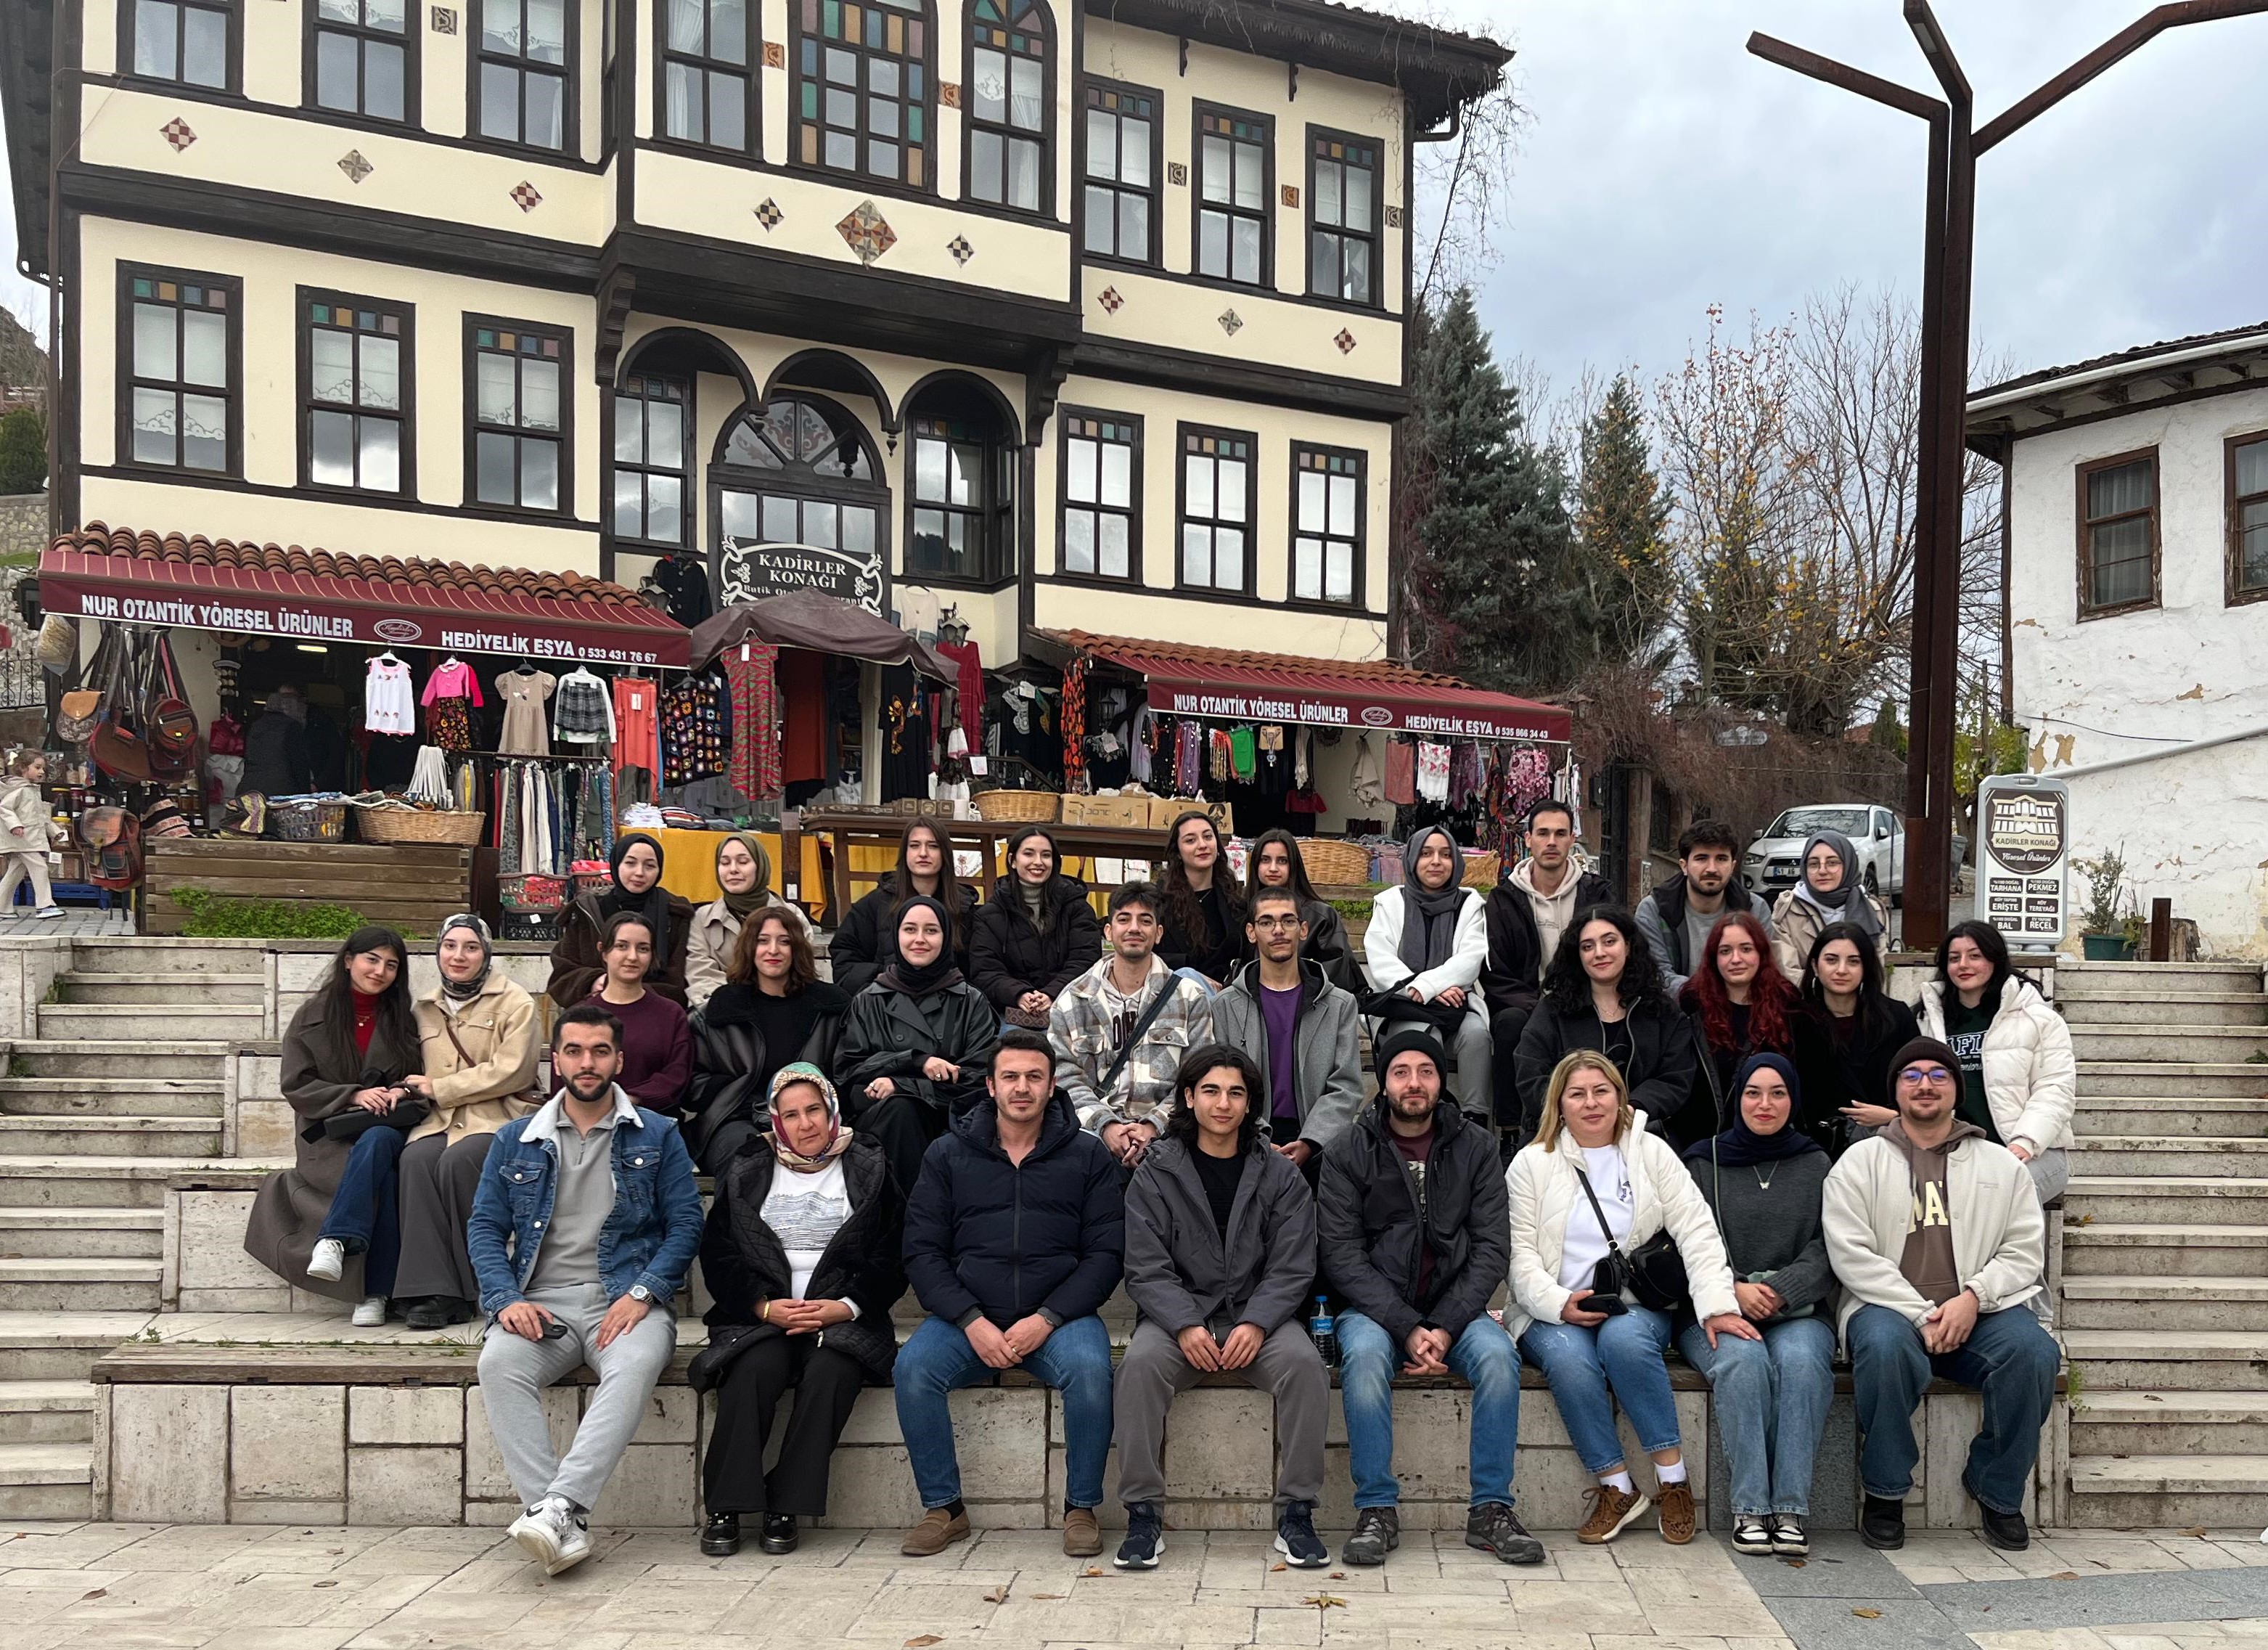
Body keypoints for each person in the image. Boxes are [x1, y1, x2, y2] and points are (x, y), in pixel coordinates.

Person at [468, 1004, 705, 1575]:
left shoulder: (658, 1133)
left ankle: (558, 1509)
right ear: (557, 1060)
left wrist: (644, 1291)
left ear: (619, 1059)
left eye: (600, 1051)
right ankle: (558, 1515)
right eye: (574, 1050)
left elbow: (685, 1224)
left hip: (622, 1299)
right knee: (498, 1364)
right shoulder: (515, 1139)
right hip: (539, 1302)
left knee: (635, 1363)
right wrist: (506, 1299)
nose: (587, 1062)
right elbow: (484, 1227)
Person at [1317, 1027, 1542, 1570]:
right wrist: (1404, 1324)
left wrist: (1442, 1325)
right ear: (1383, 1082)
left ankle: (1491, 1508)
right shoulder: (1348, 1149)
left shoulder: (1477, 1147)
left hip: (1455, 1310)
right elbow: (1341, 1254)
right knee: (1364, 1358)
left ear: (1442, 1081)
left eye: (1425, 1072)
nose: (1413, 1083)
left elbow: (1491, 1247)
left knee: (1498, 1357)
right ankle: (1376, 1509)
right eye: (1401, 1072)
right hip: (1374, 1311)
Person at [1825, 1036, 2059, 1553]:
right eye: (1911, 1075)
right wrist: (1919, 1313)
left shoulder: (2001, 1164)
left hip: (1981, 1313)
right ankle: (1885, 1490)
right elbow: (1850, 1254)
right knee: (1883, 1347)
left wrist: (1973, 1297)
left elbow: (2024, 1250)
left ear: (1957, 1089)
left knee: (2034, 1353)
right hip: (1888, 1309)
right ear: (1895, 1090)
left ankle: (1996, 1487)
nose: (1924, 1084)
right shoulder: (1859, 1162)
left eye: (1938, 1074)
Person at [895, 1030, 1123, 1560]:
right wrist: (970, 1320)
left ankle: (1081, 1507)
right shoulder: (947, 1154)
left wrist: (1047, 1318)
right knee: (914, 1369)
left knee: (1092, 1372)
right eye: (1011, 1077)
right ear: (991, 1086)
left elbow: (1106, 1255)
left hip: (1060, 1319)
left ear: (1052, 1085)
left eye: (1034, 1077)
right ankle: (944, 1509)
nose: (1022, 1088)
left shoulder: (1087, 1155)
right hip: (968, 1319)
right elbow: (922, 1253)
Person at [1508, 1050, 1751, 1548]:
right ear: (1559, 1104)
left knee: (1623, 1341)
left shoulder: (1651, 1153)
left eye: (1602, 1091)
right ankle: (1617, 1485)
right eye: (1577, 1093)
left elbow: (1696, 1229)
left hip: (1635, 1304)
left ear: (1620, 1097)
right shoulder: (1530, 1163)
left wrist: (1717, 1305)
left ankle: (1673, 1480)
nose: (1591, 1103)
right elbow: (1518, 1254)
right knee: (1568, 1360)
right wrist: (1557, 1303)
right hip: (1554, 1307)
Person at [1113, 1046, 1329, 1571]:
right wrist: (1184, 1324)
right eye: (1210, 1090)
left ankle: (1297, 1512)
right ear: (1189, 1097)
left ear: (1250, 1102)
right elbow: (1145, 1266)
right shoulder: (1156, 1171)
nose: (1223, 1103)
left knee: (1305, 1367)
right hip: (1177, 1320)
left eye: (1236, 1092)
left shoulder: (1279, 1174)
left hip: (1260, 1318)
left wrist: (1258, 1321)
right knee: (1138, 1366)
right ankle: (1143, 1513)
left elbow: (1293, 1264)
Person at [695, 1064, 905, 1558]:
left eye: (814, 1109)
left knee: (832, 1373)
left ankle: (785, 1504)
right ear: (776, 1120)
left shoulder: (869, 1162)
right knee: (752, 1369)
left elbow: (894, 1251)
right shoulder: (748, 1165)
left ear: (832, 1110)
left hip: (842, 1313)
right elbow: (719, 1253)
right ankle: (726, 1505)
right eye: (791, 1114)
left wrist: (846, 1306)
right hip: (761, 1314)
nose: (805, 1123)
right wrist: (763, 1306)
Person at [1675, 1053, 1837, 1558]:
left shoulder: (1817, 1163)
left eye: (1777, 1093)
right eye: (1753, 1092)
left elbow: (1832, 1244)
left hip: (1798, 1310)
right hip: (1715, 1307)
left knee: (1802, 1363)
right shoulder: (1702, 1162)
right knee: (1743, 1363)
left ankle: (1789, 1508)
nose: (1764, 1104)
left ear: (1793, 1099)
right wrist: (1733, 1289)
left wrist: (1781, 1289)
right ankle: (1749, 1508)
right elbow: (1681, 1241)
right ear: (1737, 1098)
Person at [245, 926, 423, 1328]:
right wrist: (352, 1095)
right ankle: (375, 1292)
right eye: (372, 960)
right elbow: (295, 1084)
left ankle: (335, 1240)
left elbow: (420, 1078)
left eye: (391, 965)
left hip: (387, 1127)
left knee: (379, 1144)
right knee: (382, 1174)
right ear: (348, 961)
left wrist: (400, 1091)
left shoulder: (404, 1020)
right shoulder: (311, 1017)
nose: (380, 971)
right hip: (327, 1135)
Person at [392, 915, 541, 1330]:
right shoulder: (424, 1007)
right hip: (437, 1122)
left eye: (471, 947)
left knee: (458, 1162)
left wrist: (441, 1087)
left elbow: (515, 1071)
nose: (459, 956)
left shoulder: (516, 1002)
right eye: (450, 946)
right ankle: (429, 1288)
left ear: (486, 953)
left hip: (497, 1120)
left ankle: (468, 1288)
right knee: (415, 1160)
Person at [836, 897, 1000, 1192]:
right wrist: (915, 1061)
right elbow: (847, 1074)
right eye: (910, 929)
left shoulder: (971, 1001)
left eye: (931, 930)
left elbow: (981, 1079)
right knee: (900, 1112)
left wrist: (902, 1084)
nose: (920, 939)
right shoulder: (869, 1000)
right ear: (896, 935)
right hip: (885, 1125)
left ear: (946, 938)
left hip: (953, 1117)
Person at [1049, 881, 1215, 1165]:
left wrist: (1153, 1126)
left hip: (1170, 1138)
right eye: (1124, 919)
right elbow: (1064, 1076)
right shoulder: (1073, 1000)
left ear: (1159, 933)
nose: (1134, 928)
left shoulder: (1190, 998)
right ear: (1108, 931)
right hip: (1090, 1138)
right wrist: (1106, 1125)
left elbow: (1199, 1077)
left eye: (1145, 920)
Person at [1915, 921, 2074, 1204]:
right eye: (1954, 958)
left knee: (2002, 1194)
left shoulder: (2039, 1019)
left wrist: (2025, 1142)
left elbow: (2055, 1089)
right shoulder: (1927, 1022)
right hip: (1957, 1151)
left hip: (2035, 1151)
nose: (1963, 965)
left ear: (1995, 959)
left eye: (1975, 956)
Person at [1513, 908, 1698, 1148]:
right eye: (1587, 947)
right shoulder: (1553, 1010)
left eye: (1609, 942)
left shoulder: (1662, 1011)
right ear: (1578, 955)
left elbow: (1676, 1076)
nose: (1599, 953)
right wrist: (1578, 1109)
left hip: (1643, 1130)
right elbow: (1530, 1074)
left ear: (1628, 946)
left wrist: (1633, 1108)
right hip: (1563, 1132)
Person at [685, 910, 852, 1172]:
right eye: (763, 941)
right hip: (738, 1119)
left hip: (815, 1118)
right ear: (750, 948)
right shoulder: (719, 1011)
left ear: (797, 948)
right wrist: (743, 1099)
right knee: (747, 1155)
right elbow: (693, 1081)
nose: (773, 950)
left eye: (784, 941)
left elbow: (847, 1071)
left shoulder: (831, 1008)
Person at [1209, 887, 1365, 1168]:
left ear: (1303, 930)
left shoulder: (1340, 1005)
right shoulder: (1225, 1006)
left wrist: (1311, 1140)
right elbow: (1220, 1083)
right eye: (1266, 922)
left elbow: (1346, 1085)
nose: (1278, 930)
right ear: (1251, 932)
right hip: (1246, 1137)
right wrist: (1255, 1135)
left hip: (1318, 1142)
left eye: (1288, 921)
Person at [1481, 802, 1613, 1137]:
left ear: (1572, 839)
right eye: (1543, 833)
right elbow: (1496, 973)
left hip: (1587, 999)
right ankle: (1511, 1131)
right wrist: (1541, 1006)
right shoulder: (1504, 898)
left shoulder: (1596, 894)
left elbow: (1613, 956)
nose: (1551, 842)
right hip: (1525, 1004)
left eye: (1560, 833)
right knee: (1509, 1025)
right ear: (1528, 839)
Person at [1362, 825, 1491, 1122]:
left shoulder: (1469, 904)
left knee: (1477, 1036)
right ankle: (1427, 1118)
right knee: (1424, 1036)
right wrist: (1426, 988)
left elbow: (1470, 957)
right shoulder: (1391, 902)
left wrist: (1432, 986)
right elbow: (1381, 959)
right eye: (1426, 854)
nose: (1436, 862)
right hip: (1404, 1004)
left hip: (1455, 1006)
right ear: (1412, 860)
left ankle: (1475, 1119)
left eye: (1445, 855)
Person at [1672, 912, 1802, 1148]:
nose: (1736, 959)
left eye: (1746, 949)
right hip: (1700, 1142)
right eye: (1725, 951)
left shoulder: (1787, 1005)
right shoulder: (1692, 1006)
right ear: (1714, 958)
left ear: (1761, 953)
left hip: (1768, 1143)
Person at [1793, 921, 1921, 1155]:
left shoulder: (1897, 1018)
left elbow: (1920, 1081)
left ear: (1866, 968)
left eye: (1853, 961)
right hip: (1818, 1150)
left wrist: (1895, 1116)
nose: (1842, 970)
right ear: (1815, 965)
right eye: (1831, 960)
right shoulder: (1795, 1022)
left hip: (1891, 1145)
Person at [967, 825, 1105, 1029]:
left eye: (1046, 855)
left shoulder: (1077, 908)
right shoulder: (990, 914)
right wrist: (1019, 994)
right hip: (1010, 1013)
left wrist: (1052, 993)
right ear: (1013, 860)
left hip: (1070, 1009)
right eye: (1029, 854)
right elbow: (985, 970)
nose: (1038, 862)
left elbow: (1086, 960)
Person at [829, 819, 976, 998]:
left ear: (945, 853)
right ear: (905, 852)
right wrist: (883, 982)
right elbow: (845, 959)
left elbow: (976, 971)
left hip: (949, 1007)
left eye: (933, 846)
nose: (923, 853)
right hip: (886, 1005)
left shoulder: (962, 907)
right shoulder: (876, 903)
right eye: (914, 846)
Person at [549, 832, 696, 1008]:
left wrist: (632, 992)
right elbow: (563, 974)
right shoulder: (588, 911)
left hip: (656, 1012)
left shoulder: (676, 914)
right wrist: (594, 981)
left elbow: (682, 980)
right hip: (594, 1011)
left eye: (650, 866)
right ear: (617, 864)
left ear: (659, 871)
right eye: (630, 863)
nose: (639, 873)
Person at [1636, 820, 1774, 997]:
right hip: (1675, 1009)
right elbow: (1658, 975)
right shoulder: (1654, 911)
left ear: (1733, 866)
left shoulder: (1755, 909)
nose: (1712, 869)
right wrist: (1710, 994)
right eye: (1702, 858)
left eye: (1721, 859)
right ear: (1684, 866)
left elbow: (1764, 970)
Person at [685, 831, 808, 1008]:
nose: (733, 869)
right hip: (722, 1010)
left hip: (782, 1006)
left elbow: (802, 970)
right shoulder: (704, 918)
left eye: (743, 862)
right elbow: (701, 975)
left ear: (760, 866)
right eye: (725, 863)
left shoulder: (792, 916)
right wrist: (733, 1007)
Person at [588, 913, 694, 1114]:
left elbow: (677, 1075)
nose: (633, 957)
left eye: (643, 948)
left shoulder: (671, 1015)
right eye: (622, 946)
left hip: (655, 1121)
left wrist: (629, 1099)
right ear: (604, 951)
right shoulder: (581, 1017)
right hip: (589, 1119)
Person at [1244, 828, 1359, 995]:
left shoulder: (1321, 917)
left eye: (1282, 861)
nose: (1273, 868)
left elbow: (1338, 976)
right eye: (1265, 860)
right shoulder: (1240, 910)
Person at [1769, 830, 1890, 981]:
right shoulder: (1788, 910)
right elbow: (1787, 972)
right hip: (1805, 994)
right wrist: (1827, 990)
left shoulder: (1872, 909)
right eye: (1814, 864)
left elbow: (1877, 969)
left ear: (1848, 865)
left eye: (1832, 863)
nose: (1822, 871)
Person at [1158, 809, 1244, 992]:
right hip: (1175, 994)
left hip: (1227, 996)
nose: (1202, 845)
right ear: (1178, 852)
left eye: (1208, 837)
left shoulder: (1235, 900)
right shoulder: (1159, 901)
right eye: (1191, 840)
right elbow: (1148, 956)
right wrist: (1192, 975)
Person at [0, 751, 65, 918]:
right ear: (23, 768)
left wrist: (54, 831)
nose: (42, 772)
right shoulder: (20, 790)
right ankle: (45, 905)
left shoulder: (31, 790)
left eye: (42, 768)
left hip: (28, 838)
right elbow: (5, 808)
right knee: (40, 867)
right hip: (24, 838)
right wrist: (15, 825)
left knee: (15, 872)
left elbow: (40, 816)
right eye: (37, 767)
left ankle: (2, 906)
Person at [242, 685, 312, 800]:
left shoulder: (255, 726)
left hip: (249, 791)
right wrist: (306, 796)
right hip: (282, 793)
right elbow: (299, 765)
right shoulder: (292, 727)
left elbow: (248, 759)